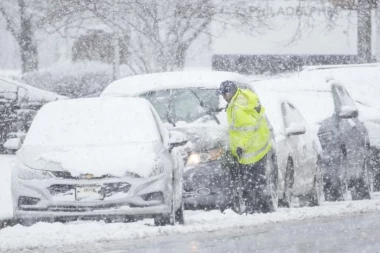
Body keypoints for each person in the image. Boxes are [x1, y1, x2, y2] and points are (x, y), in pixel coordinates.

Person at [217, 80, 274, 214]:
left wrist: (241, 147)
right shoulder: (243, 98)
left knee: (250, 182)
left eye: (224, 95)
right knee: (258, 180)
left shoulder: (238, 108)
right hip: (260, 143)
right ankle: (261, 207)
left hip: (251, 149)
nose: (223, 98)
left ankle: (254, 208)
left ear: (230, 93)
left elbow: (248, 129)